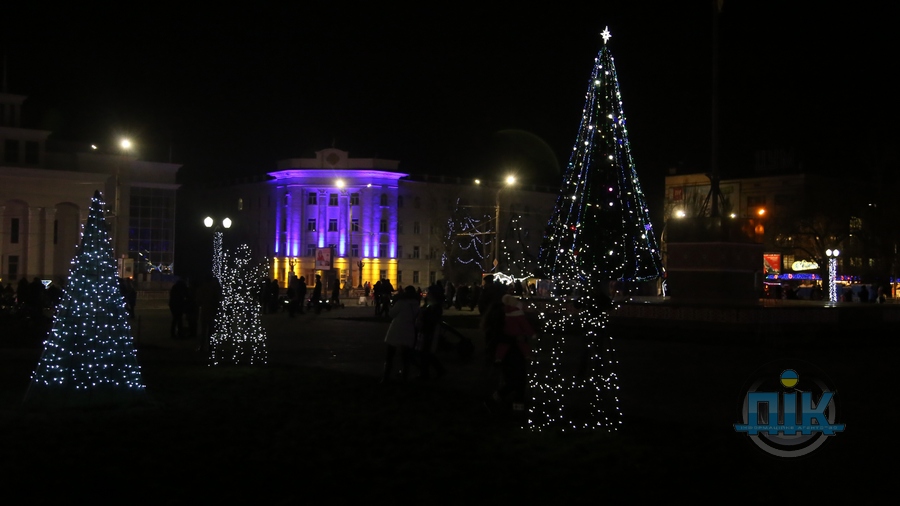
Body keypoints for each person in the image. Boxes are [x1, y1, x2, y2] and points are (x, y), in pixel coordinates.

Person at [490, 294, 537, 413]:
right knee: (516, 381)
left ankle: (514, 405)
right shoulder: (503, 316)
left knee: (517, 380)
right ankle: (499, 401)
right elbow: (498, 335)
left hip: (511, 351)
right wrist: (518, 338)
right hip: (512, 351)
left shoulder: (503, 314)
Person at [381, 286, 420, 383]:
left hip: (396, 330)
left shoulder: (401, 303)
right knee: (405, 357)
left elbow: (391, 314)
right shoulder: (416, 305)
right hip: (409, 330)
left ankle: (386, 377)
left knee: (390, 355)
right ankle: (404, 377)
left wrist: (391, 306)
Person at [415, 285, 446, 381]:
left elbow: (431, 320)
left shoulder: (435, 307)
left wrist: (424, 314)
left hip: (429, 332)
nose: (427, 295)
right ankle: (435, 371)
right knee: (425, 353)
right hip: (426, 331)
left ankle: (425, 374)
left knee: (426, 353)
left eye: (429, 293)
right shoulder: (430, 305)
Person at [196, 274, 223, 352]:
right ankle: (211, 346)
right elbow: (219, 298)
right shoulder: (215, 288)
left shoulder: (202, 288)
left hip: (205, 310)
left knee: (204, 330)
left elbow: (198, 300)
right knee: (211, 330)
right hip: (212, 310)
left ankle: (202, 346)